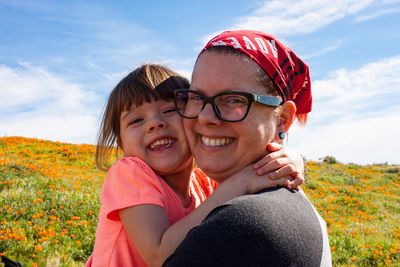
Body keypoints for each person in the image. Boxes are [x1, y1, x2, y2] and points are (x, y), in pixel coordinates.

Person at [85, 64, 306, 267]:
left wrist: (291, 159)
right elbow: (157, 255)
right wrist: (241, 184)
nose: (155, 123)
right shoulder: (130, 173)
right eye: (136, 120)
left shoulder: (203, 182)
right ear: (121, 141)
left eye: (169, 110)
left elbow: (254, 164)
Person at [164, 30, 332, 266]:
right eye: (196, 97)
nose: (205, 116)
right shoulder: (289, 204)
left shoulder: (241, 225)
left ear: (283, 118)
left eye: (233, 99)